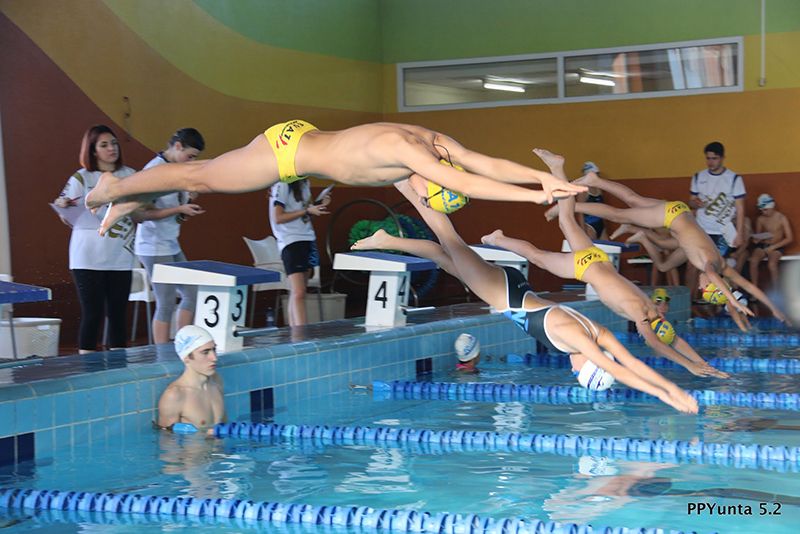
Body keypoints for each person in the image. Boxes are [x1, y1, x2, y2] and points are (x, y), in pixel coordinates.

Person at [352, 180, 698, 414]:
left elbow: (631, 363)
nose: (573, 369)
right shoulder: (579, 341)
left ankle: (390, 239)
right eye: (578, 372)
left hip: (515, 286)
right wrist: (668, 394)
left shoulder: (598, 335)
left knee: (444, 257)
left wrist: (671, 391)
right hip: (504, 296)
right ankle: (406, 182)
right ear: (585, 368)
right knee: (448, 237)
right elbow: (619, 369)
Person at [85, 120, 587, 234]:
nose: (424, 194)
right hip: (288, 154)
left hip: (298, 138)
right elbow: (474, 183)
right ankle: (114, 188)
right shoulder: (411, 154)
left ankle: (127, 199)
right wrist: (533, 195)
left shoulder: (436, 143)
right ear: (438, 178)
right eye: (434, 191)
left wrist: (545, 180)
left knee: (201, 177)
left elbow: (486, 165)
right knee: (201, 177)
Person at [483, 148, 725, 378]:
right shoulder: (640, 315)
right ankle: (499, 238)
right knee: (537, 256)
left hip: (597, 256)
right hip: (585, 267)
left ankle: (557, 168)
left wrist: (701, 362)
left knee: (566, 219)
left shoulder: (649, 308)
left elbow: (674, 340)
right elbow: (660, 346)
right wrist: (690, 366)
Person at [551, 171, 787, 323]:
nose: (702, 283)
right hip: (671, 217)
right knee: (619, 213)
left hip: (678, 213)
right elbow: (716, 277)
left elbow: (749, 286)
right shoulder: (713, 265)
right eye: (706, 286)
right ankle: (570, 208)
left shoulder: (723, 266)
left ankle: (594, 181)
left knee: (632, 200)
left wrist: (773, 309)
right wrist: (733, 301)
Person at [53, 125, 136, 353]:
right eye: (104, 145)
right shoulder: (82, 177)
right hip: (87, 257)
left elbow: (143, 210)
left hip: (120, 255)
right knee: (93, 313)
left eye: (114, 143)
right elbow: (66, 214)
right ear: (93, 150)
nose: (112, 148)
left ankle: (120, 369)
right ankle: (87, 368)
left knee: (118, 314)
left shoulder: (130, 175)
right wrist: (64, 208)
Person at [134, 128, 207, 344]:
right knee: (165, 302)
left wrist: (187, 204)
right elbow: (141, 214)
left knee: (191, 294)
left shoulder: (176, 170)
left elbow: (177, 209)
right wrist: (178, 210)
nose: (190, 161)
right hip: (153, 246)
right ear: (177, 146)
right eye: (190, 156)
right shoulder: (154, 171)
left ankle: (182, 345)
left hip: (170, 243)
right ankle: (162, 354)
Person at [685, 141, 746, 298]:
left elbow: (740, 209)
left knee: (713, 269)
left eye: (714, 158)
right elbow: (691, 201)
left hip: (722, 232)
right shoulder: (699, 177)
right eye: (708, 158)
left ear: (723, 158)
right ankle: (690, 301)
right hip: (701, 230)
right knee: (692, 267)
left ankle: (720, 303)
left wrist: (739, 233)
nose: (711, 162)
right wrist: (695, 203)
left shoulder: (734, 179)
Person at [269, 178, 331, 326]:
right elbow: (278, 217)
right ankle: (301, 334)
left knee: (298, 292)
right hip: (291, 241)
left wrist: (318, 205)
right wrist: (307, 210)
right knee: (298, 292)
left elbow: (303, 216)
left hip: (307, 238)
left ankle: (294, 332)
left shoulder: (305, 183)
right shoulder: (282, 185)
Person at [157, 325, 225, 433]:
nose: (214, 358)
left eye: (214, 349)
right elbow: (168, 444)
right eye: (205, 352)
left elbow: (224, 427)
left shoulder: (216, 381)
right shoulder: (175, 395)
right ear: (187, 358)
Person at [749, 193, 794, 290]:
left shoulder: (782, 218)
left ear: (772, 207)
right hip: (764, 245)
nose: (763, 212)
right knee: (753, 261)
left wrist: (773, 247)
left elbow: (789, 238)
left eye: (765, 209)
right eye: (761, 210)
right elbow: (758, 236)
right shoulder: (760, 219)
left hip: (777, 246)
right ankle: (755, 290)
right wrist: (756, 239)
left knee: (772, 264)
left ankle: (777, 290)